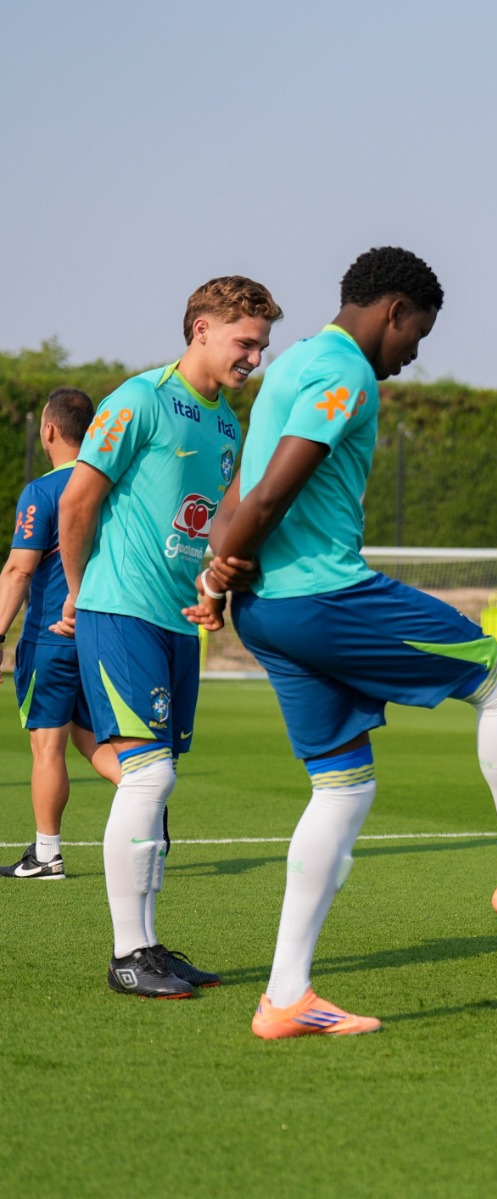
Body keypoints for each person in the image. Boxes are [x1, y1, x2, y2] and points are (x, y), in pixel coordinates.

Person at [202, 246, 497, 1041]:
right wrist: (220, 575)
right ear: (393, 310)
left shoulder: (292, 365)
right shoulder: (346, 370)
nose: (412, 357)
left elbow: (239, 493)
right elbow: (277, 488)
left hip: (269, 612)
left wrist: (220, 575)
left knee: (343, 787)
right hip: (323, 596)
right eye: (416, 336)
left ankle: (286, 996)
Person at [55, 276, 281, 997]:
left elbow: (212, 524)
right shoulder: (139, 399)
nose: (255, 357)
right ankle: (127, 954)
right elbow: (78, 499)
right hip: (120, 611)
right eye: (246, 342)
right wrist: (83, 589)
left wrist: (214, 587)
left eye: (263, 345)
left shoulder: (226, 425)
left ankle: (149, 944)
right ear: (201, 330)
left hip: (176, 625)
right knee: (148, 774)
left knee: (159, 781)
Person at [1, 388, 120, 878]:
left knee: (46, 744)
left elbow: (18, 571)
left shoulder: (44, 490)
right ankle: (146, 794)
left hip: (51, 635)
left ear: (48, 429)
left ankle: (47, 854)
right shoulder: (113, 485)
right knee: (88, 735)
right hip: (102, 634)